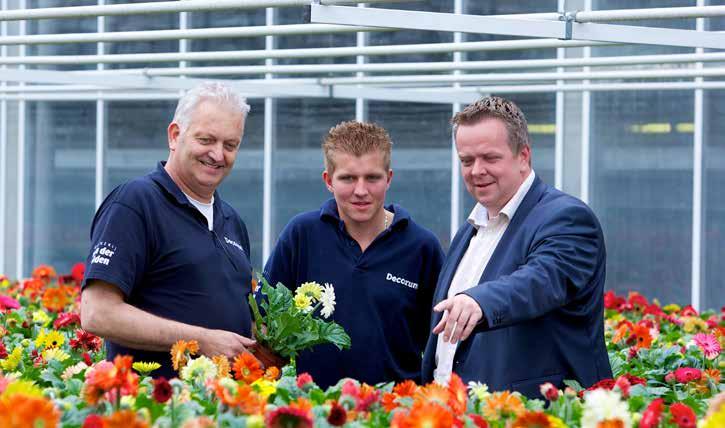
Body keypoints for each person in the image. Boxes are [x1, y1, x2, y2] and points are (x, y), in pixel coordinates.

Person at [421, 96, 612, 397]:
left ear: (524, 156)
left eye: (490, 158)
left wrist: (479, 301)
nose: (476, 170)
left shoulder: (567, 218)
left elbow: (541, 279)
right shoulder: (469, 231)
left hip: (534, 412)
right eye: (467, 160)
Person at [80, 82, 256, 379]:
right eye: (206, 140)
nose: (217, 154)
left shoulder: (232, 221)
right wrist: (201, 341)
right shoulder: (136, 203)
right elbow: (98, 312)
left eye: (230, 145)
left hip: (225, 410)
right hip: (156, 407)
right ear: (175, 136)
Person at [263, 121, 444, 388]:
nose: (361, 191)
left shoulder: (421, 247)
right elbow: (265, 318)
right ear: (328, 181)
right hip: (317, 409)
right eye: (348, 178)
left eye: (372, 178)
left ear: (389, 178)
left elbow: (440, 339)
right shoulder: (301, 235)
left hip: (396, 411)